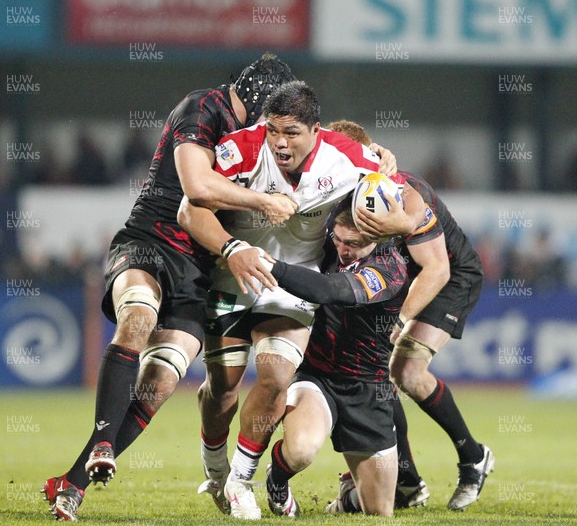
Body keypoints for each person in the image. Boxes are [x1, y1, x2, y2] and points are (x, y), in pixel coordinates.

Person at [41, 53, 299, 522]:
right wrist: (262, 201)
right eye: (275, 111)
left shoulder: (264, 141)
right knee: (138, 317)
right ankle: (103, 437)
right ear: (262, 97)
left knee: (161, 382)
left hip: (197, 269)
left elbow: (333, 145)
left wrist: (379, 157)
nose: (278, 126)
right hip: (149, 240)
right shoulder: (203, 107)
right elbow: (197, 187)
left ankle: (73, 482)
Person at [177, 81, 426, 519]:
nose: (279, 141)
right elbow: (190, 208)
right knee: (223, 386)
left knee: (275, 376)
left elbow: (409, 197)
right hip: (232, 276)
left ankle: (240, 478)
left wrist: (402, 220)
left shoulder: (347, 158)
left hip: (292, 286)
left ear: (315, 130)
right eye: (273, 130)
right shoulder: (242, 149)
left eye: (290, 132)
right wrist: (234, 248)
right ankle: (215, 466)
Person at [327, 120, 495, 512]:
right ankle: (407, 481)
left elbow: (437, 269)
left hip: (448, 276)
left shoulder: (402, 193)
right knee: (372, 371)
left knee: (405, 371)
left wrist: (399, 322)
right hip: (408, 277)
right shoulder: (344, 191)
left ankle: (472, 459)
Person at [262, 200, 410, 517]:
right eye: (338, 239)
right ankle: (276, 480)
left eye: (353, 244)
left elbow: (330, 290)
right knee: (301, 451)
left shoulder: (391, 269)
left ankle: (347, 500)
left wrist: (270, 265)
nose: (342, 249)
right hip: (318, 376)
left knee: (379, 511)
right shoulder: (332, 241)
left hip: (367, 388)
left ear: (377, 237)